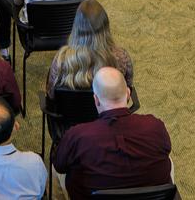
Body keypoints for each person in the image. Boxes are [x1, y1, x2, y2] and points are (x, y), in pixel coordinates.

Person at [53, 67, 173, 199]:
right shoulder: (155, 126)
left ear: (96, 100)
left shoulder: (78, 136)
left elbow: (59, 165)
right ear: (128, 94)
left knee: (57, 169)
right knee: (168, 161)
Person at [47, 0, 134, 95]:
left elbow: (51, 94)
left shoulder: (61, 60)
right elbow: (127, 90)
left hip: (69, 110)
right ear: (105, 27)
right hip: (105, 110)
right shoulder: (121, 58)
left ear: (76, 28)